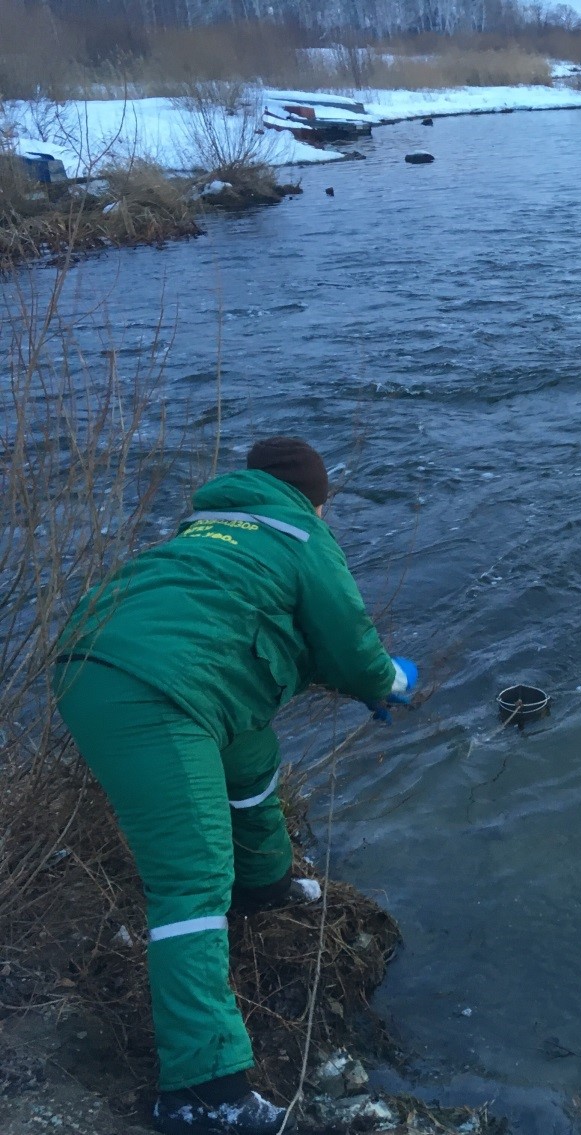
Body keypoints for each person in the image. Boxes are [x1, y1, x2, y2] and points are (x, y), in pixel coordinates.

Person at [51, 437, 419, 1135]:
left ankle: (265, 883)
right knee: (189, 881)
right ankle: (201, 1090)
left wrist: (349, 673)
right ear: (317, 498)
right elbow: (350, 641)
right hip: (153, 690)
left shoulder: (210, 528)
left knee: (250, 753)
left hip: (100, 658)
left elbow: (260, 636)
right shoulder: (301, 533)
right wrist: (392, 682)